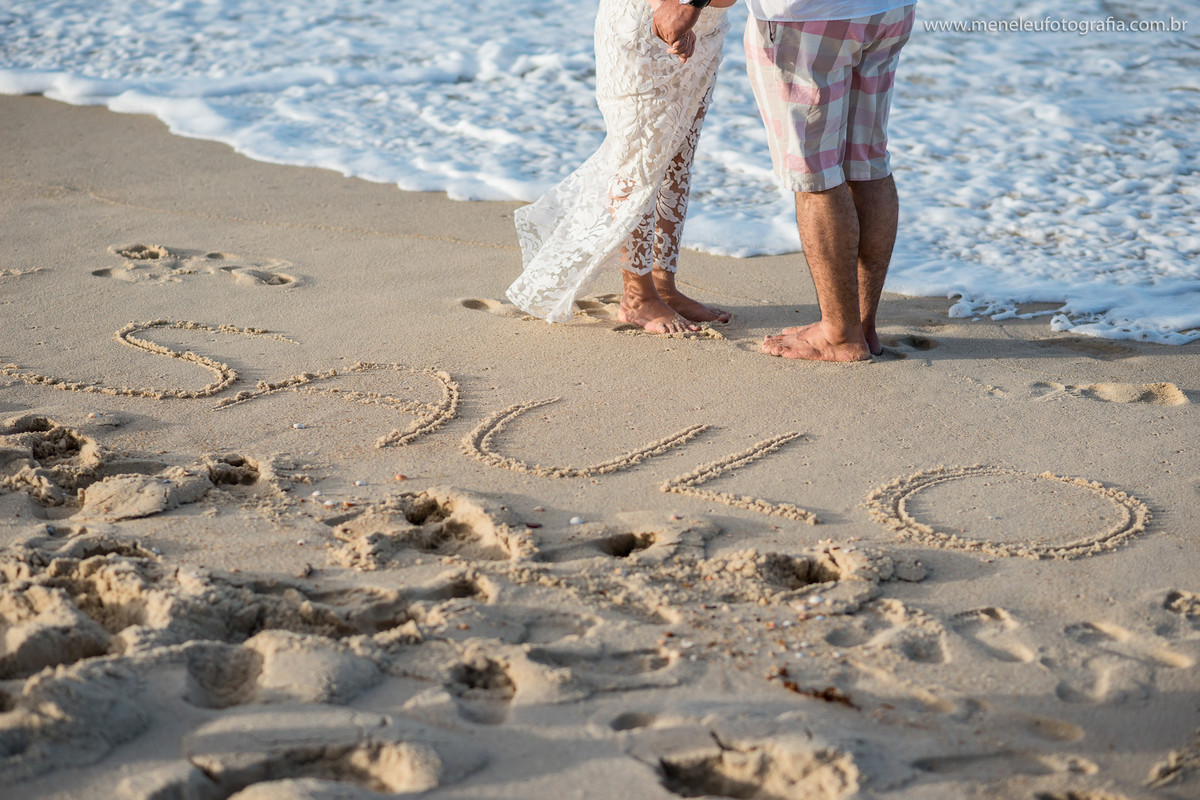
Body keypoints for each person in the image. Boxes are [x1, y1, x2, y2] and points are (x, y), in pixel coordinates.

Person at [656, 0, 916, 360]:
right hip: (890, 11)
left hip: (806, 17)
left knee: (816, 171)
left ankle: (840, 334)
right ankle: (860, 325)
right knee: (866, 161)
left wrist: (689, 4)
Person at [507, 0, 736, 334]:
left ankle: (663, 286)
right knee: (638, 164)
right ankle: (638, 297)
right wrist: (674, 7)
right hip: (650, 20)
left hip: (707, 23)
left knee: (678, 160)